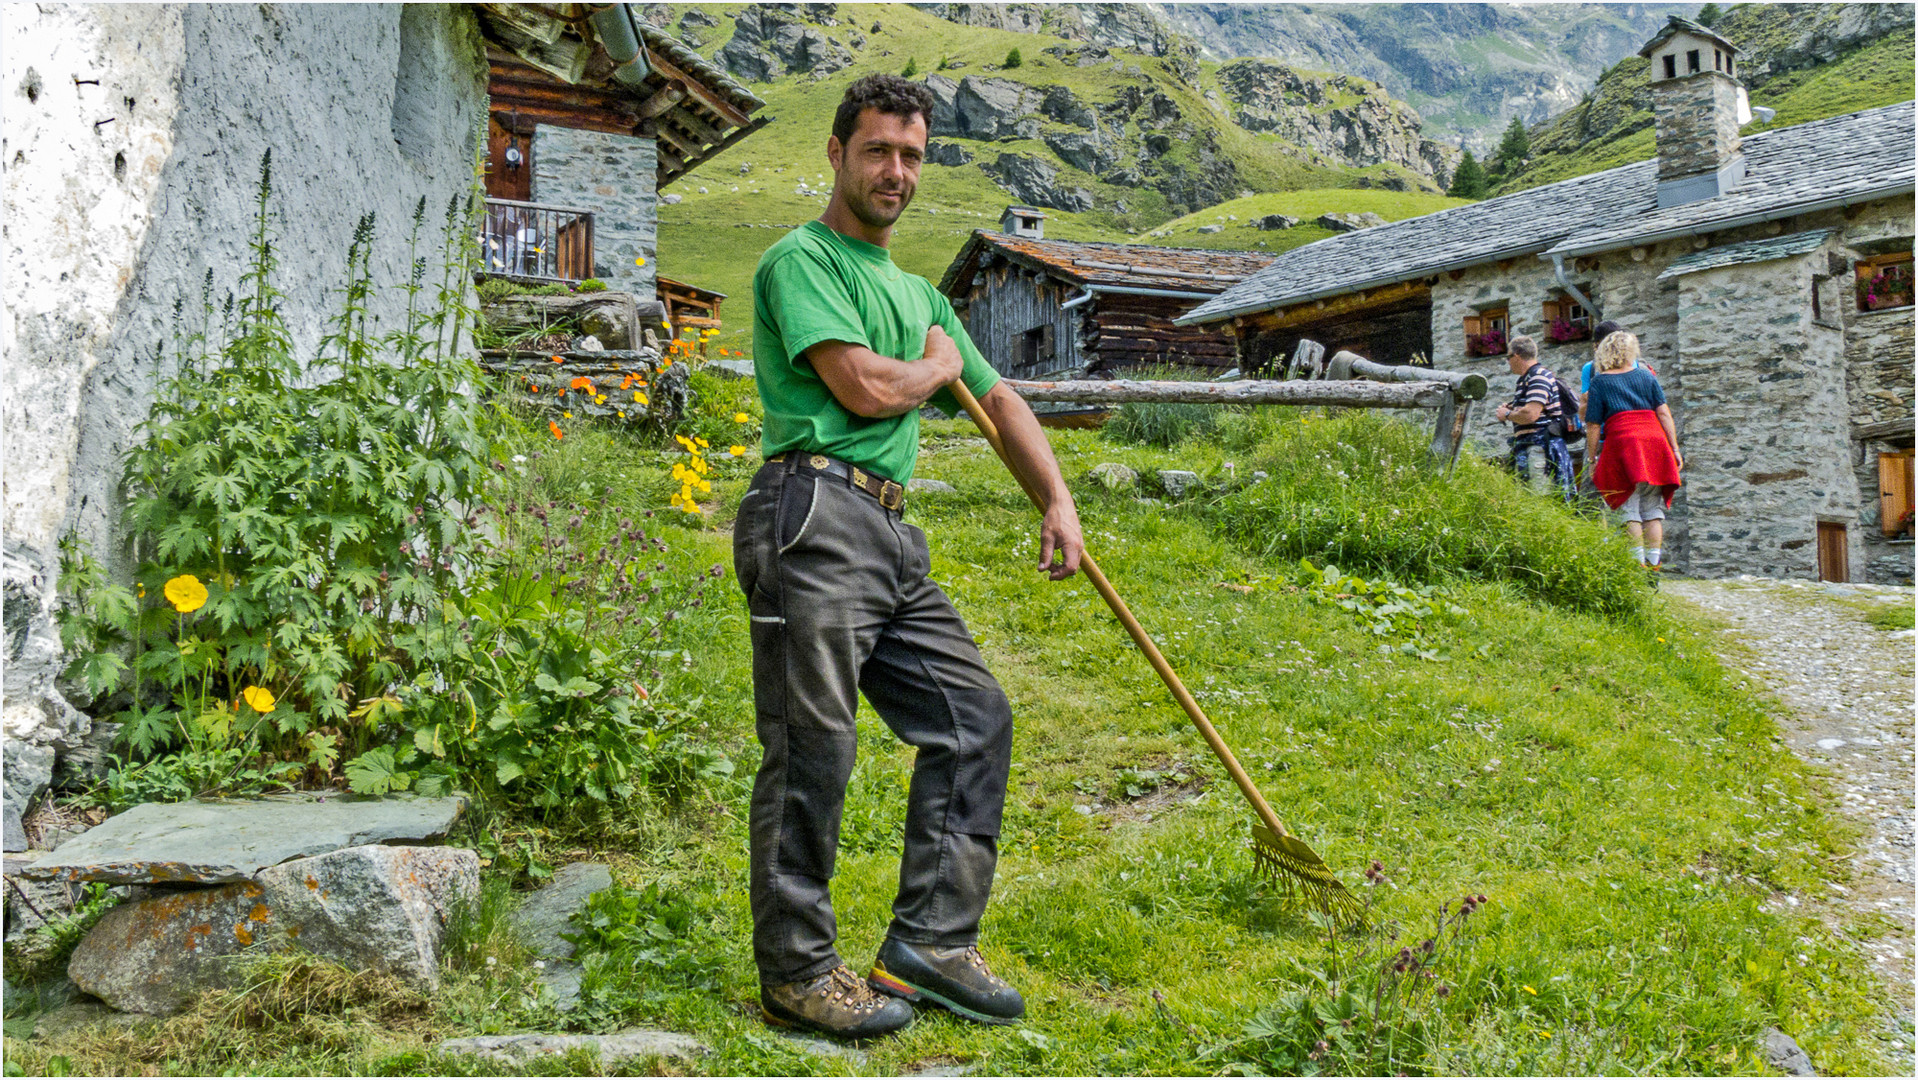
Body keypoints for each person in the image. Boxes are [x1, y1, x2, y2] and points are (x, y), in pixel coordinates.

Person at [736, 74, 1085, 1040]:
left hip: (892, 532)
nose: (897, 171)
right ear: (839, 154)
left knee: (973, 716)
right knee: (816, 745)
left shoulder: (920, 294)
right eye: (879, 150)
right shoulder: (800, 260)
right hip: (812, 510)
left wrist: (1057, 500)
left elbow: (1002, 400)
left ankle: (930, 942)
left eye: (913, 155)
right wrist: (935, 367)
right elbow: (859, 387)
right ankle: (799, 972)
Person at [1584, 330, 1683, 567]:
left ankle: (1637, 566)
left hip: (1623, 444)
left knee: (1629, 507)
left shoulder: (1600, 382)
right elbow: (1663, 413)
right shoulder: (1647, 376)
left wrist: (1592, 457)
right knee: (1652, 510)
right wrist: (1674, 448)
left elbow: (1593, 424)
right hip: (1654, 443)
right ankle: (1653, 567)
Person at [1492, 335, 1574, 501]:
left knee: (1541, 498)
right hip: (1532, 447)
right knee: (1532, 498)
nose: (1507, 362)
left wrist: (1507, 415)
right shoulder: (1528, 378)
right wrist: (1513, 408)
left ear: (1516, 356)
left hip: (1540, 447)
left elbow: (1531, 414)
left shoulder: (1538, 376)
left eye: (1508, 357)